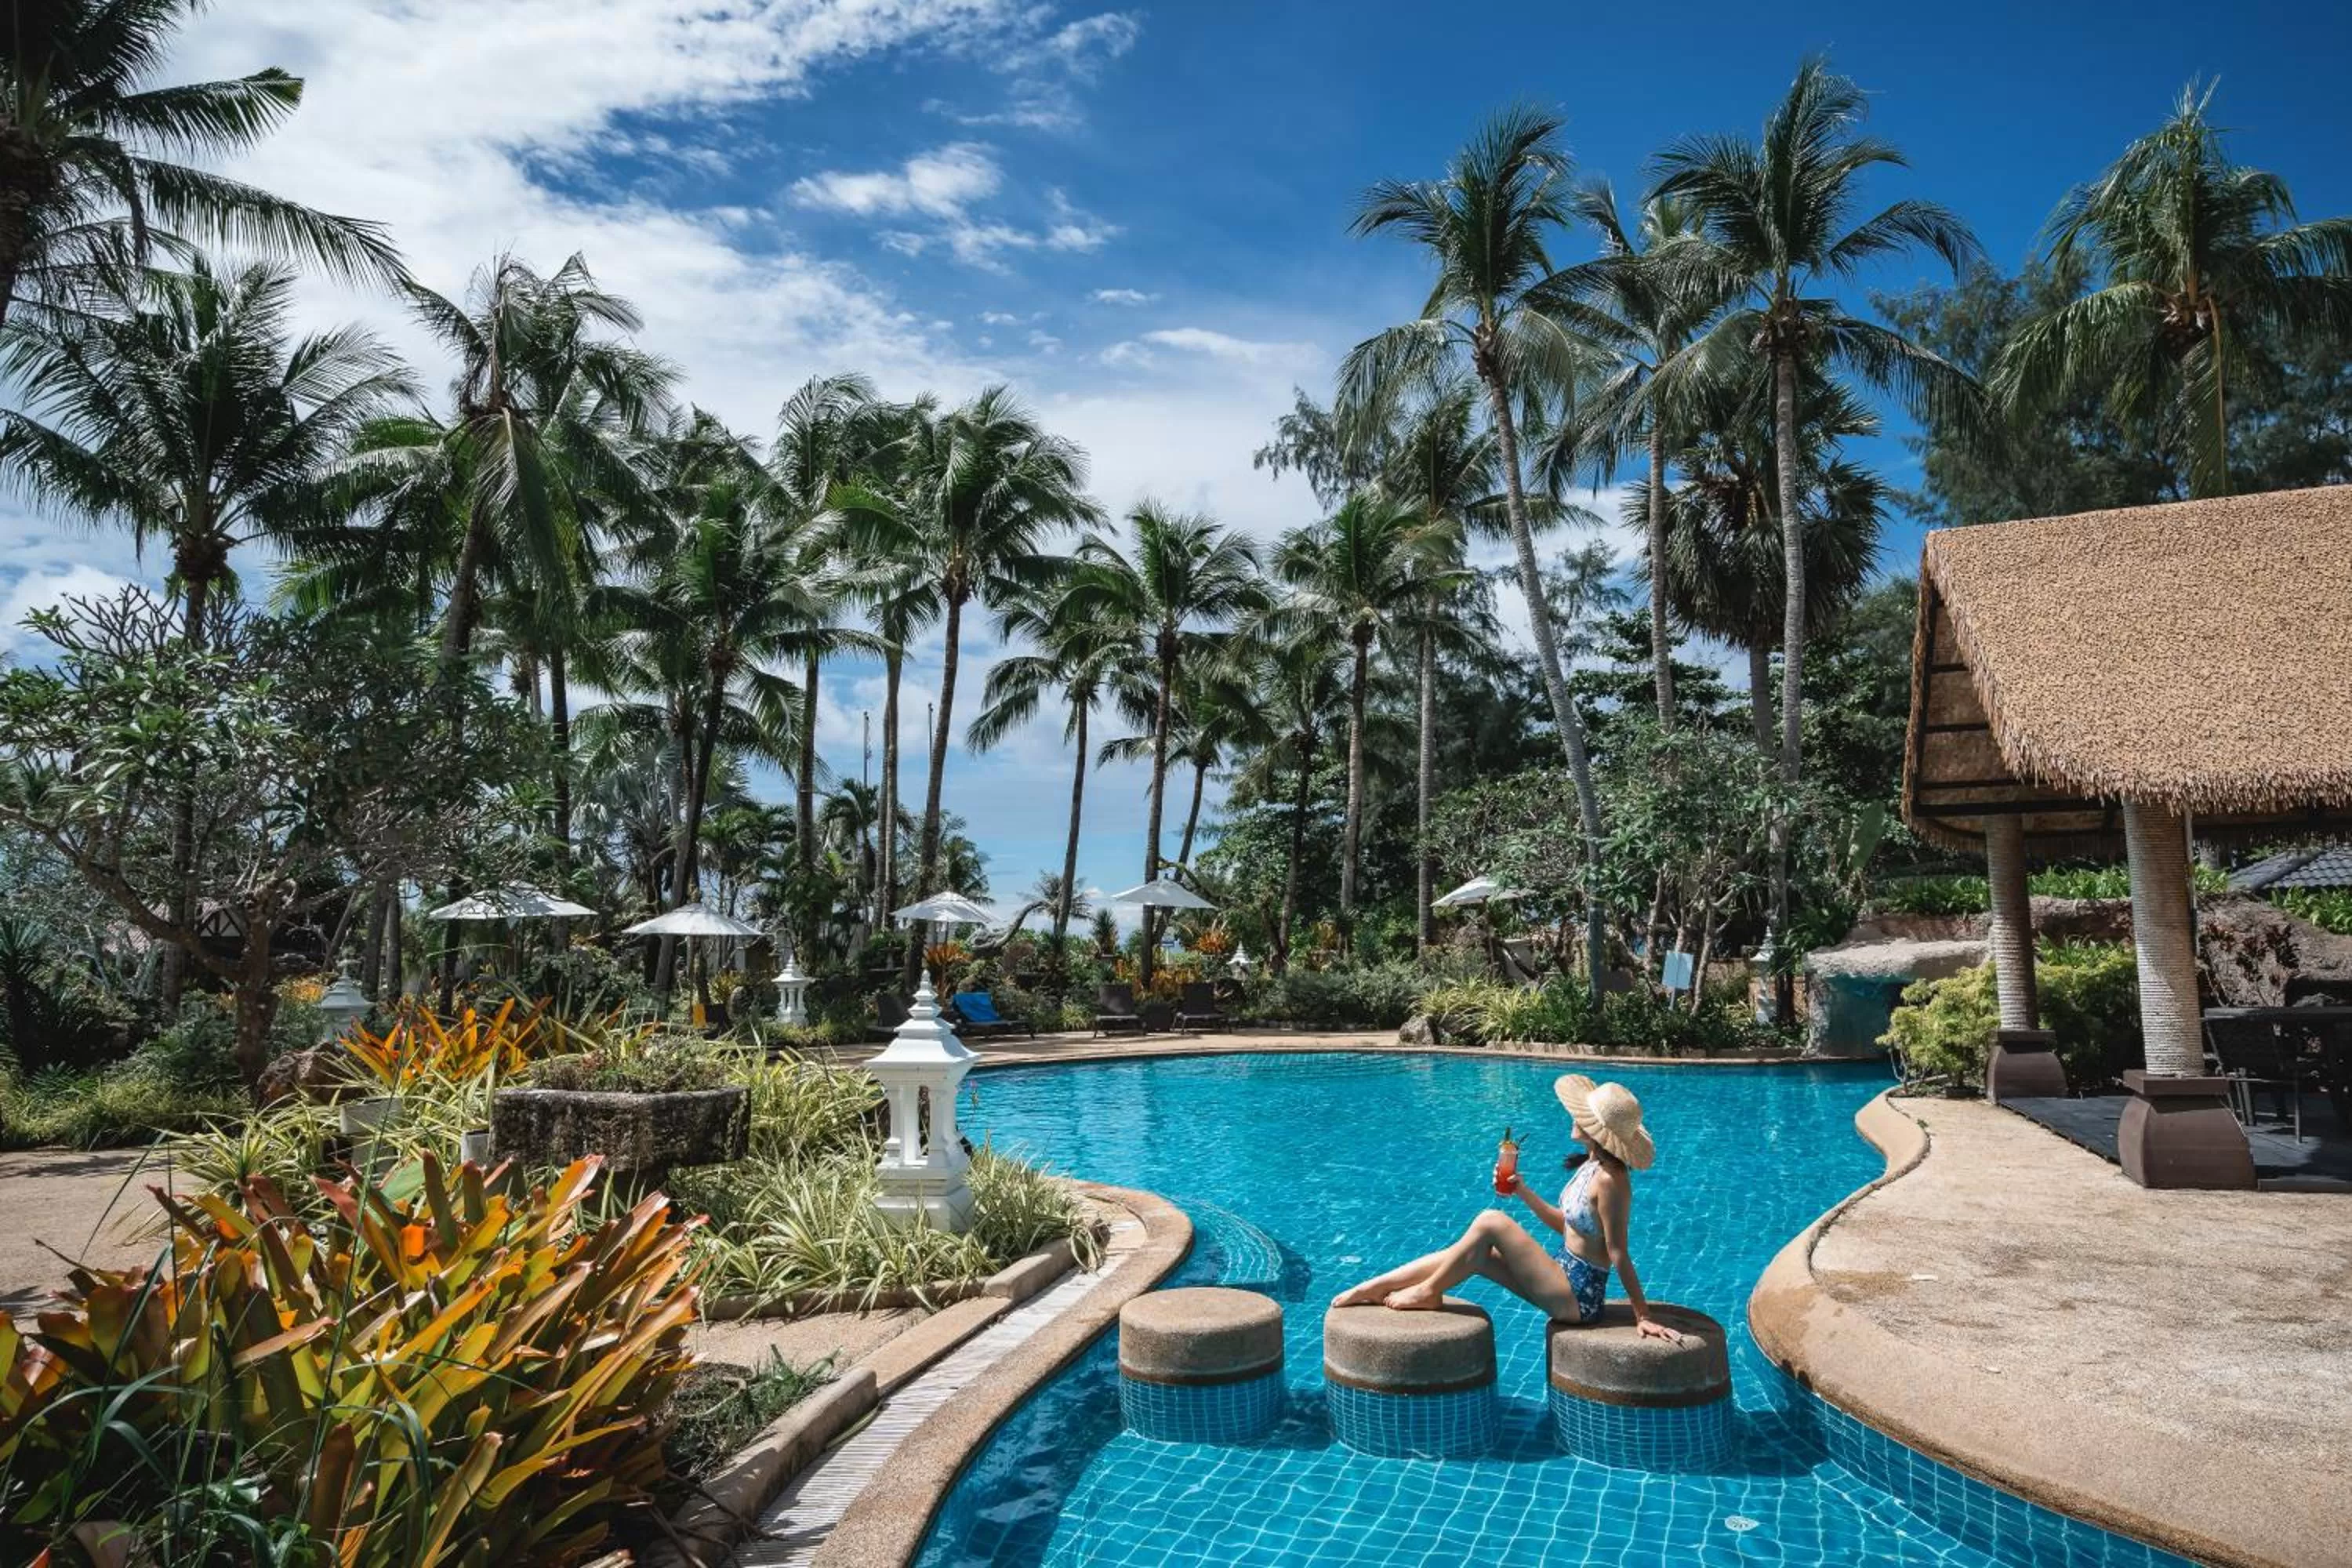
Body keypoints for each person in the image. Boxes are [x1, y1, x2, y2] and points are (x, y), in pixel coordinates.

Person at [1332, 1074, 1679, 1341]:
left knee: (1491, 1221)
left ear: (1596, 1129)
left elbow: (1618, 1253)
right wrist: (1522, 1190)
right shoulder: (1590, 1165)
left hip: (1579, 1298)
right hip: (1561, 1274)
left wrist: (1643, 1315)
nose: (1573, 1116)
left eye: (1582, 1114)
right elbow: (1568, 1228)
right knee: (1474, 1254)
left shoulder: (1612, 1180)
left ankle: (1428, 1291)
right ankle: (1373, 1288)